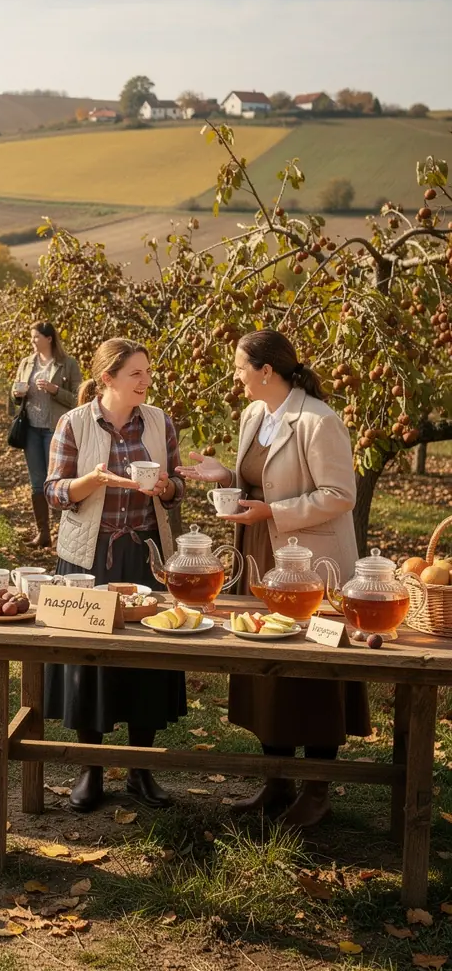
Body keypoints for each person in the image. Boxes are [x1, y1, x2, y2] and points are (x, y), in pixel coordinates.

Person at [176, 329, 366, 826]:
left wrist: (272, 512)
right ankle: (277, 780)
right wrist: (225, 478)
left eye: (240, 367)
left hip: (307, 561)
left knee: (312, 669)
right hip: (259, 555)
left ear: (266, 370)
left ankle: (318, 789)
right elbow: (256, 481)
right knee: (264, 663)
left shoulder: (318, 421)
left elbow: (340, 494)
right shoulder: (254, 415)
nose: (235, 376)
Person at [44, 339, 185, 812]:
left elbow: (177, 484)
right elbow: (55, 490)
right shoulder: (74, 423)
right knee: (91, 661)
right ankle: (92, 768)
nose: (146, 381)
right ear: (108, 378)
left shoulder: (159, 421)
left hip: (145, 554)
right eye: (136, 374)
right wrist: (93, 481)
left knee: (146, 661)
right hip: (90, 556)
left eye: (147, 372)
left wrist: (167, 487)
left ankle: (141, 767)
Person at [9, 322, 83, 547]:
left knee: (59, 482)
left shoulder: (67, 364)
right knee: (37, 483)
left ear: (49, 339)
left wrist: (55, 391)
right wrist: (16, 393)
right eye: (31, 337)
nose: (32, 341)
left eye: (36, 337)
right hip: (31, 428)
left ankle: (65, 535)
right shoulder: (27, 363)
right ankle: (43, 534)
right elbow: (15, 395)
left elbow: (79, 398)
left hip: (55, 429)